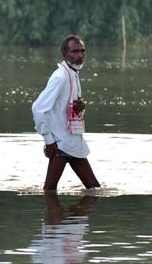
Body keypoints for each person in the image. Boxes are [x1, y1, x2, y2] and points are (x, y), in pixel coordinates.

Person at [31, 35, 100, 191]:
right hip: (60, 146)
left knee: (94, 189)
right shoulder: (60, 76)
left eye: (82, 51)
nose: (80, 55)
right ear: (64, 54)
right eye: (75, 51)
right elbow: (38, 108)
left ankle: (67, 216)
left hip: (72, 142)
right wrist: (49, 141)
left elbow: (66, 108)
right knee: (50, 191)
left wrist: (81, 107)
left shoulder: (72, 73)